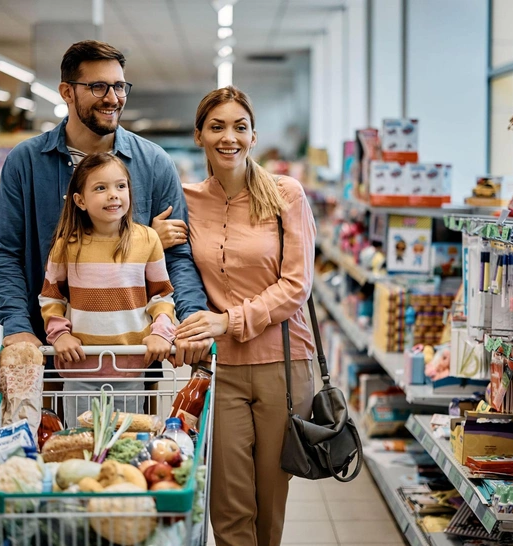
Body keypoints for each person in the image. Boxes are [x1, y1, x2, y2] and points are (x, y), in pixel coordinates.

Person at [0, 40, 211, 366]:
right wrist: (18, 326)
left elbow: (177, 258)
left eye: (119, 86)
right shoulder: (26, 162)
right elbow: (4, 252)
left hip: (134, 357)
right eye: (98, 86)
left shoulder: (152, 163)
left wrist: (191, 320)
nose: (113, 98)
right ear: (66, 92)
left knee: (133, 422)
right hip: (48, 356)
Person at [175, 86, 316, 546]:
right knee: (229, 503)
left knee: (270, 500)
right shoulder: (186, 200)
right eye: (216, 127)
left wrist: (228, 321)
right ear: (199, 135)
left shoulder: (285, 194)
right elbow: (160, 263)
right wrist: (150, 236)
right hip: (222, 369)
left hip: (284, 366)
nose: (228, 137)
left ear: (254, 136)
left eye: (239, 127)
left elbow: (296, 285)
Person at [40, 153, 174, 423]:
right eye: (101, 188)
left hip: (131, 369)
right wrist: (59, 336)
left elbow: (161, 295)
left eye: (120, 186)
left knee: (127, 446)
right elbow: (50, 296)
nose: (114, 195)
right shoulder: (66, 245)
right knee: (81, 446)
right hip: (79, 371)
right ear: (80, 200)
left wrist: (162, 332)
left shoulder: (147, 239)